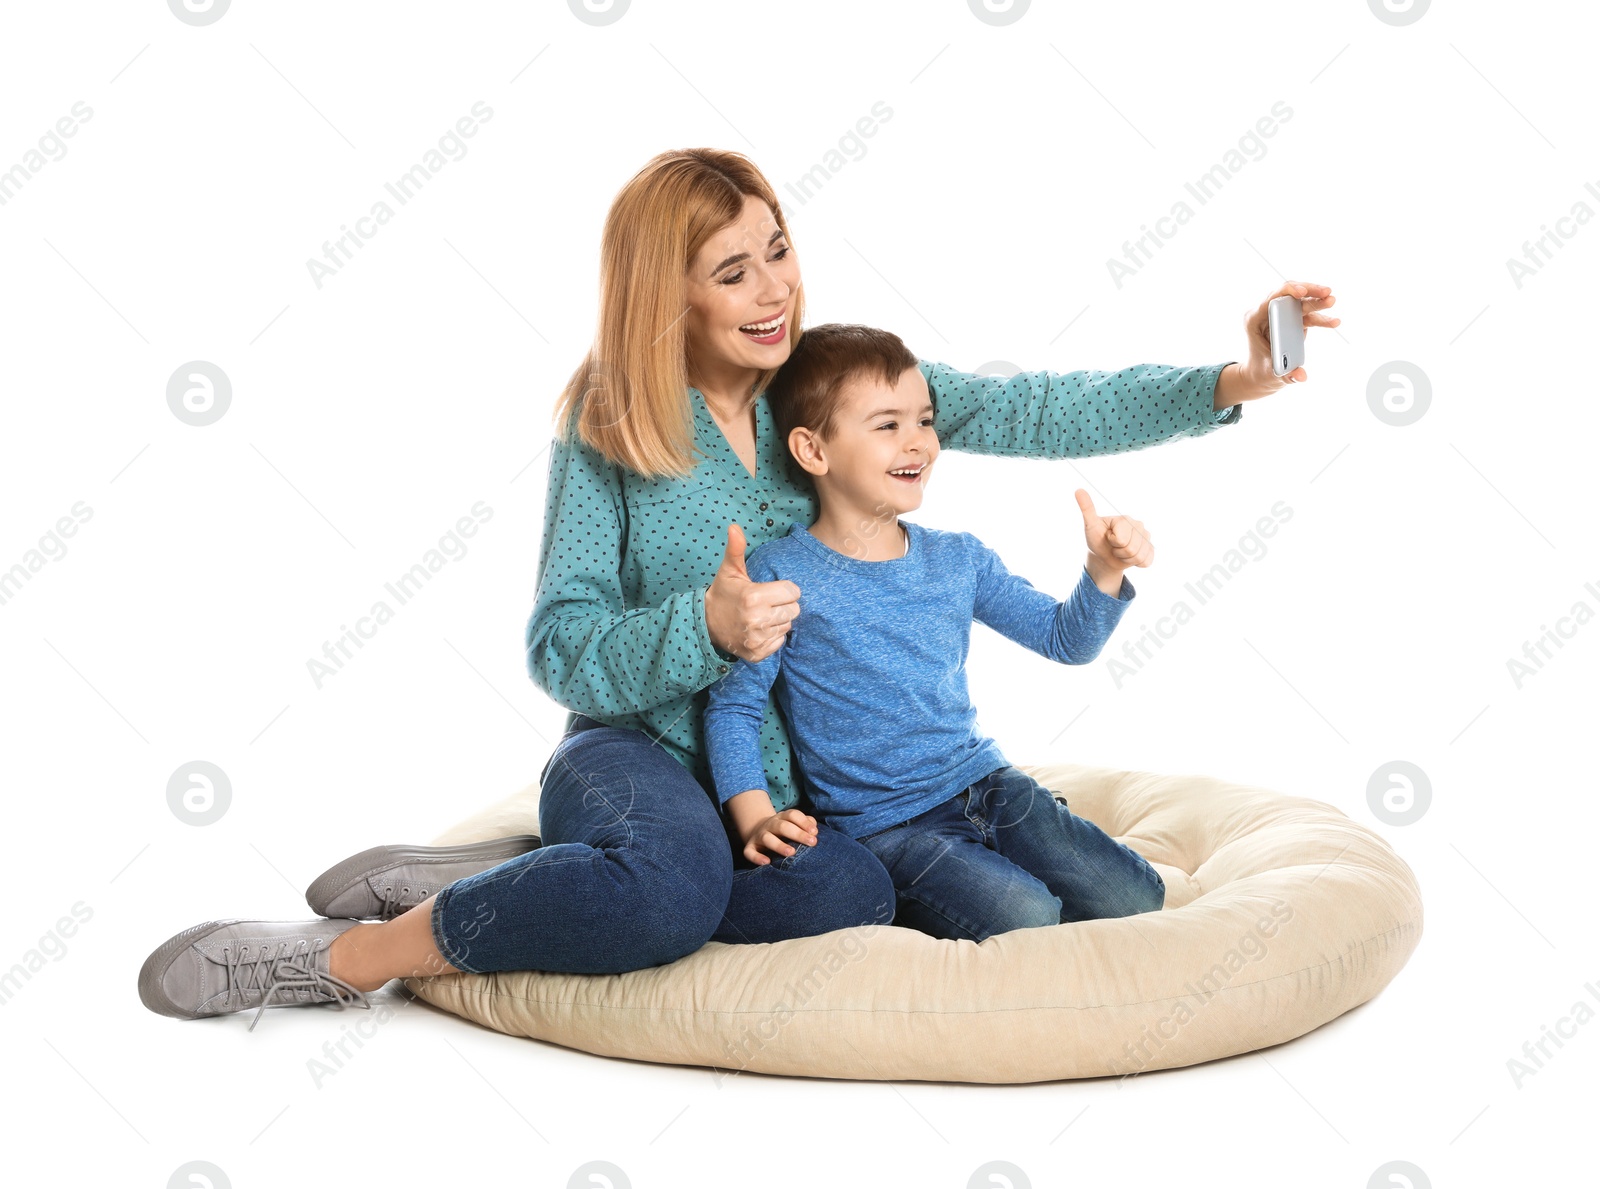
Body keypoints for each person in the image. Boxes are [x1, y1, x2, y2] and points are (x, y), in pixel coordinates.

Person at [136, 147, 1338, 1025]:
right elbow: (561, 642)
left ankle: (525, 873)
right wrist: (697, 627)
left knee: (857, 888)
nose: (772, 289)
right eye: (732, 270)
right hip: (635, 750)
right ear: (669, 293)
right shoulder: (605, 427)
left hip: (781, 786)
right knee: (666, 894)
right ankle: (346, 957)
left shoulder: (821, 387)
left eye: (778, 249)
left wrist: (1228, 383)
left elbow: (1032, 406)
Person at [702, 323, 1168, 941]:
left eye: (925, 420)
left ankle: (1019, 847)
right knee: (1027, 917)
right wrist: (755, 819)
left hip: (989, 784)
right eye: (888, 425)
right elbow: (733, 709)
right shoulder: (779, 573)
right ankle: (936, 890)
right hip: (888, 827)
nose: (919, 443)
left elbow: (1066, 639)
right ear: (813, 451)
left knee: (1139, 898)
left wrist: (1103, 570)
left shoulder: (958, 559)